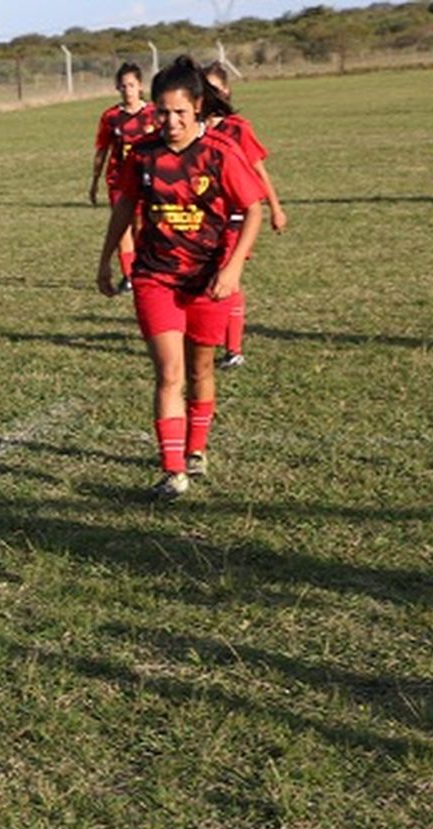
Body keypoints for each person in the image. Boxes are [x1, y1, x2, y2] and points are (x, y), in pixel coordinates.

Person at [96, 57, 265, 502]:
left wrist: (233, 269)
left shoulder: (219, 154)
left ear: (198, 108)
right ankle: (172, 472)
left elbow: (253, 210)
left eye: (180, 113)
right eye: (162, 112)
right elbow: (125, 206)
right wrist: (105, 258)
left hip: (208, 280)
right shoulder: (144, 154)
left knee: (200, 368)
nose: (170, 122)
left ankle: (196, 450)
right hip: (155, 277)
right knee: (169, 373)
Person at [204, 61, 288, 370]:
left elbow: (258, 170)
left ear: (225, 90)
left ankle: (233, 348)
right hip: (208, 219)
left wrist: (276, 208)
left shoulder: (238, 128)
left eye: (214, 88)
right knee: (211, 276)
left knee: (229, 277)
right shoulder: (195, 130)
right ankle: (214, 336)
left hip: (238, 217)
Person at [89, 63, 157, 293]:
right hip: (119, 180)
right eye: (123, 85)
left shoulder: (153, 113)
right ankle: (129, 275)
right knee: (122, 228)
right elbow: (102, 150)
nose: (127, 90)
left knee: (142, 226)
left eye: (132, 85)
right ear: (117, 87)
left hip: (147, 179)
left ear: (140, 86)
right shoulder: (111, 117)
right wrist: (95, 180)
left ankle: (144, 268)